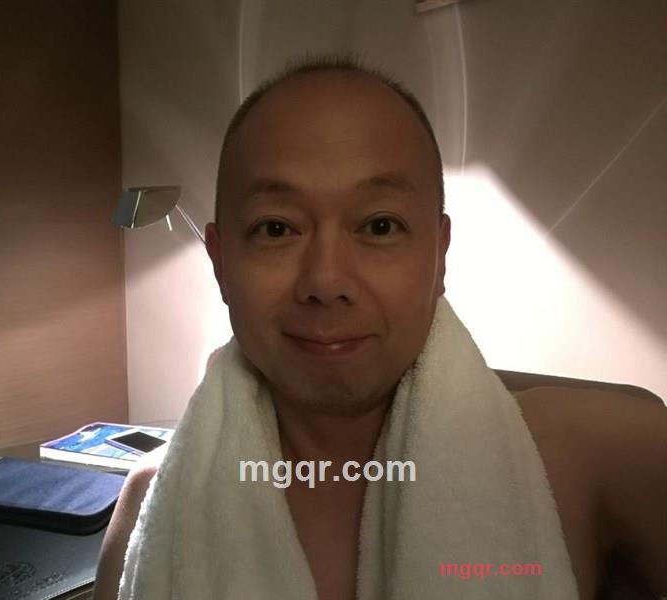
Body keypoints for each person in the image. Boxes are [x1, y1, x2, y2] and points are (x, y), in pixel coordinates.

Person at [93, 55, 667, 600]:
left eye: (380, 226)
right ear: (220, 262)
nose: (325, 280)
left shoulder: (598, 455)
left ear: (439, 254)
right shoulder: (151, 503)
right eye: (276, 229)